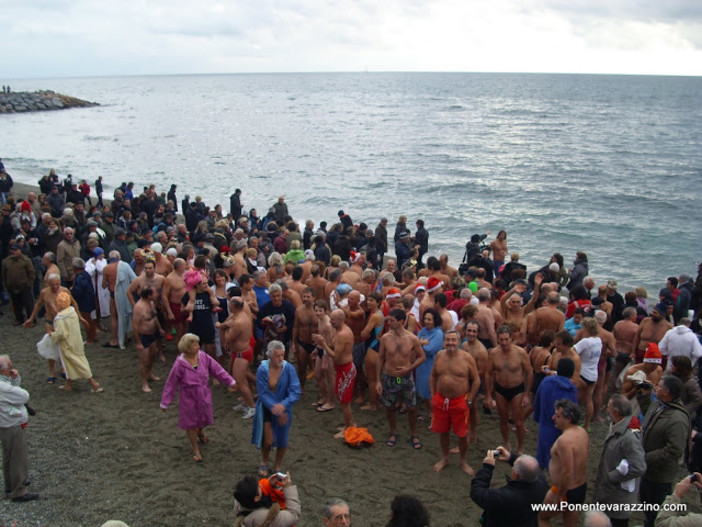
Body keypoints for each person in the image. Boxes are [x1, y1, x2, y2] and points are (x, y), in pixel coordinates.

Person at [160, 333, 236, 462]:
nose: (197, 346)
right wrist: (165, 402)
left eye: (197, 343)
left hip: (204, 393)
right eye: (194, 344)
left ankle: (200, 431)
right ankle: (195, 449)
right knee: (190, 423)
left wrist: (229, 381)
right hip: (188, 396)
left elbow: (216, 369)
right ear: (187, 347)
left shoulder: (203, 357)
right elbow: (171, 383)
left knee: (205, 418)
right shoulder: (179, 364)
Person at [637, 375, 691, 527]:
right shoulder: (659, 405)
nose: (655, 388)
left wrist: (646, 457)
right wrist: (644, 397)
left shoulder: (678, 419)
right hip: (648, 469)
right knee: (646, 504)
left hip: (660, 475)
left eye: (658, 386)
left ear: (666, 392)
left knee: (656, 511)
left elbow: (674, 450)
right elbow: (649, 416)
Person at [430, 330, 480, 475]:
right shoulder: (439, 356)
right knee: (442, 431)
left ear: (459, 341)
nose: (450, 343)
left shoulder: (467, 358)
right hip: (441, 400)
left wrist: (469, 400)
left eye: (453, 340)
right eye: (448, 340)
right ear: (444, 342)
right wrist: (433, 396)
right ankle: (445, 458)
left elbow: (476, 380)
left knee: (462, 434)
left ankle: (463, 461)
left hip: (460, 401)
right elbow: (433, 376)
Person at [593, 395, 646, 527]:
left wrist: (611, 476)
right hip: (609, 494)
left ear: (616, 412)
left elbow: (639, 466)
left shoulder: (629, 437)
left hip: (617, 499)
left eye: (609, 408)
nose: (606, 410)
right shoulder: (618, 426)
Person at [376, 308, 425, 449]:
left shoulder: (412, 338)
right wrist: (378, 380)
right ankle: (393, 431)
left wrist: (409, 368)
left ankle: (413, 433)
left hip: (405, 377)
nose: (389, 322)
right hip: (390, 376)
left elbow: (422, 356)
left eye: (392, 320)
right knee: (390, 406)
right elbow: (380, 359)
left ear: (401, 322)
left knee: (412, 407)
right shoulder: (386, 338)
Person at [251, 340, 301, 476]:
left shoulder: (288, 368)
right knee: (268, 440)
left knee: (282, 438)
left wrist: (283, 405)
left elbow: (295, 390)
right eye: (277, 356)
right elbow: (262, 392)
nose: (281, 359)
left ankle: (277, 465)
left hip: (284, 408)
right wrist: (275, 407)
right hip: (267, 407)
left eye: (282, 355)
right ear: (270, 356)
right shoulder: (262, 369)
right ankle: (265, 461)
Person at [539, 399, 589, 527]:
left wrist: (559, 495)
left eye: (558, 415)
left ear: (568, 419)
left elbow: (568, 471)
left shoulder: (564, 441)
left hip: (563, 489)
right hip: (580, 488)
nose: (553, 417)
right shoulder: (582, 432)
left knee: (541, 518)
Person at [470, 447, 548, 527]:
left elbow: (477, 492)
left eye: (513, 466)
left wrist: (487, 468)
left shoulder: (505, 497)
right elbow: (533, 468)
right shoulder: (542, 485)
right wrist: (511, 457)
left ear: (515, 475)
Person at [485, 325, 532, 453]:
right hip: (500, 390)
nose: (504, 343)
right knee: (503, 419)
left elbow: (529, 372)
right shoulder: (494, 353)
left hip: (517, 389)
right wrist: (488, 395)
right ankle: (507, 443)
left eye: (506, 339)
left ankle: (520, 447)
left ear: (511, 338)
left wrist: (527, 394)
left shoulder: (520, 353)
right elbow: (488, 373)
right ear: (498, 340)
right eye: (501, 340)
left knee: (518, 422)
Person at [46, 291, 103, 393]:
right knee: (69, 363)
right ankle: (68, 384)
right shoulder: (72, 311)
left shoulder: (60, 318)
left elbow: (61, 334)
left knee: (77, 362)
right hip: (76, 340)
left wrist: (52, 334)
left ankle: (93, 383)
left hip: (67, 344)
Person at [0, 354, 39, 502]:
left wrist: (14, 379)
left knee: (9, 456)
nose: (12, 369)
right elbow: (23, 396)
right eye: (10, 367)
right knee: (18, 458)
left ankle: (10, 486)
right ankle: (19, 491)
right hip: (12, 424)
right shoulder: (3, 387)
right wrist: (15, 381)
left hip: (4, 424)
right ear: (3, 370)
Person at [533, 358, 578, 469]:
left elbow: (537, 400)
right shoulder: (572, 389)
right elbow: (573, 413)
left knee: (542, 457)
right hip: (562, 430)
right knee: (558, 461)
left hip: (545, 425)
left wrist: (537, 417)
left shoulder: (546, 382)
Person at [233, 472, 301, 527]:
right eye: (259, 487)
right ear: (256, 498)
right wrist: (288, 488)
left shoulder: (240, 499)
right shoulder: (266, 516)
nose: (260, 485)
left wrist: (269, 484)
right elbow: (293, 515)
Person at [2, 242, 35, 326]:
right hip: (12, 287)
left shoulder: (26, 261)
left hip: (24, 287)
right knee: (16, 304)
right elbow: (4, 275)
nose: (13, 252)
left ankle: (31, 320)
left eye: (15, 250)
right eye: (12, 250)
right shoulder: (6, 261)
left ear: (20, 250)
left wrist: (29, 284)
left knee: (28, 304)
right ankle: (19, 319)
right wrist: (6, 284)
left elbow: (31, 273)